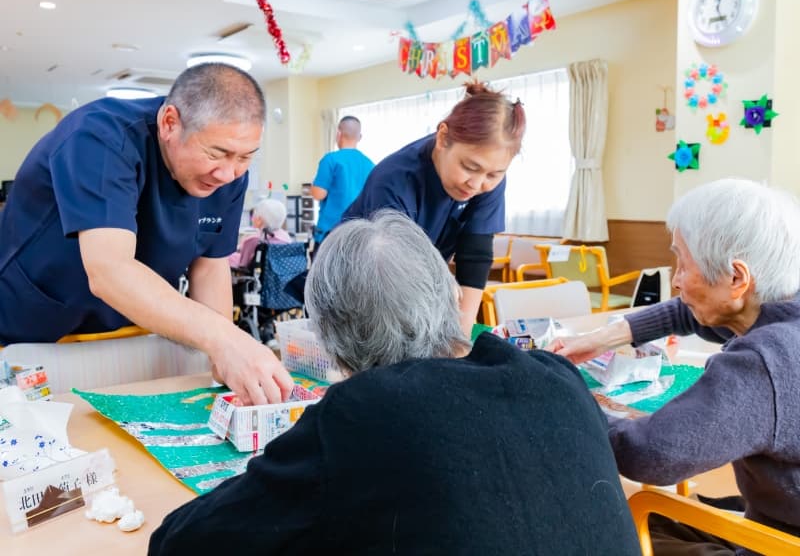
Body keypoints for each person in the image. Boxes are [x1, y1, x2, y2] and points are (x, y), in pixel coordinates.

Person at [148, 210, 640, 555]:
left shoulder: (364, 413)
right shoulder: (556, 376)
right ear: (449, 296)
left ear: (332, 340)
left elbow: (183, 543)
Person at [0, 62, 292, 406]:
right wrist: (225, 340)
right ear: (169, 123)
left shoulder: (227, 175)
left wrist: (223, 363)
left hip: (129, 331)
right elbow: (110, 270)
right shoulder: (99, 138)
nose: (229, 172)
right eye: (217, 153)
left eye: (245, 157)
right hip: (35, 330)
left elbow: (210, 265)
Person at [548, 178, 800, 553]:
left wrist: (567, 397)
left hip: (778, 542)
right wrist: (598, 340)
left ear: (736, 277)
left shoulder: (763, 363)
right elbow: (693, 313)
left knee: (593, 532)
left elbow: (648, 454)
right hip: (780, 519)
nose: (676, 281)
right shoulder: (778, 310)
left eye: (682, 262)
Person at [343, 81, 526, 335]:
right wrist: (440, 278)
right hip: (359, 281)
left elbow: (475, 255)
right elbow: (392, 267)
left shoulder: (488, 181)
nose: (476, 184)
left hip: (417, 283)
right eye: (469, 167)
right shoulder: (394, 179)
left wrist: (462, 336)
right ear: (442, 138)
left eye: (494, 174)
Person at [310, 115, 374, 246]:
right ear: (359, 137)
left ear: (338, 133)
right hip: (359, 234)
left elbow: (318, 193)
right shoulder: (370, 164)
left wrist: (313, 184)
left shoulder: (331, 159)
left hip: (332, 233)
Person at [228, 198, 291, 269]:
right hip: (278, 275)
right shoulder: (285, 237)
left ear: (259, 220)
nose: (252, 218)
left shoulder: (253, 240)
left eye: (254, 215)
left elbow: (243, 265)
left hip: (256, 276)